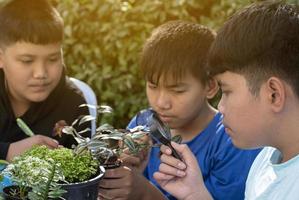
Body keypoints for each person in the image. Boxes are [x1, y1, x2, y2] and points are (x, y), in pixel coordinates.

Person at [154, 1, 299, 200]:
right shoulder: (267, 157)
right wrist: (194, 194)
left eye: (226, 91)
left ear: (273, 94)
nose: (220, 107)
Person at [99, 20, 260, 200]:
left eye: (177, 91)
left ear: (210, 86)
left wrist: (143, 192)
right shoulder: (143, 124)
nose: (161, 102)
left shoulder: (231, 142)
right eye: (152, 86)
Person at [0, 0, 89, 162]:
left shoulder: (74, 105)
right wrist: (6, 151)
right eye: (27, 61)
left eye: (53, 59)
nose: (41, 73)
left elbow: (82, 172)